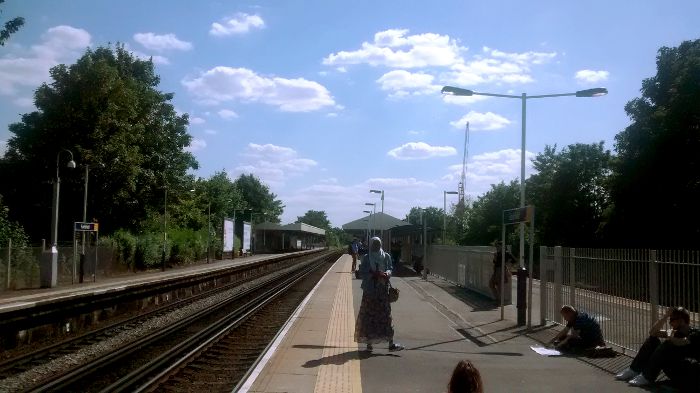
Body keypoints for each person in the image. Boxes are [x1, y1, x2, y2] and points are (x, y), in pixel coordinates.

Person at [615, 307, 700, 390]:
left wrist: (669, 336)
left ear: (681, 321)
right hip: (677, 368)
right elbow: (653, 332)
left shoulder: (695, 333)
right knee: (652, 340)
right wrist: (665, 316)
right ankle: (634, 369)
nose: (670, 323)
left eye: (672, 320)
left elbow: (681, 342)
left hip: (692, 373)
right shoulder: (675, 332)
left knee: (667, 344)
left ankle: (647, 376)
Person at [354, 237, 404, 352]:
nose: (376, 246)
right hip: (370, 291)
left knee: (386, 316)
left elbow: (390, 268)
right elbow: (362, 272)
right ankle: (369, 344)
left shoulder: (386, 256)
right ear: (371, 245)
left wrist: (386, 273)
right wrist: (373, 274)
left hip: (382, 290)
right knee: (369, 317)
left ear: (380, 244)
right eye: (374, 244)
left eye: (378, 244)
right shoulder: (366, 258)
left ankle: (391, 344)